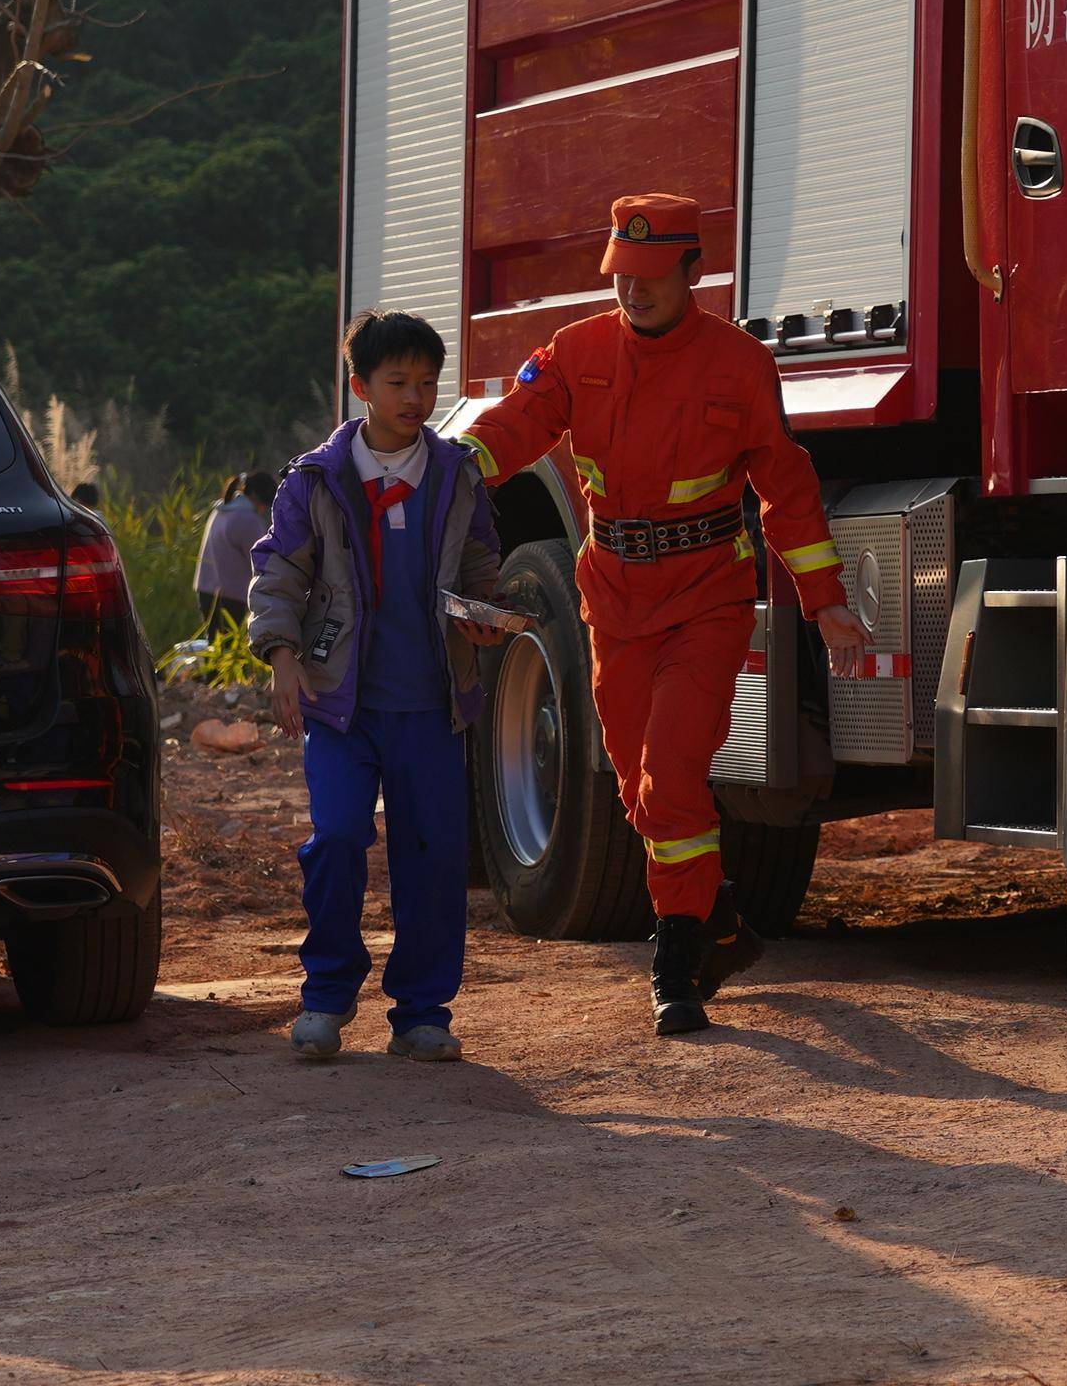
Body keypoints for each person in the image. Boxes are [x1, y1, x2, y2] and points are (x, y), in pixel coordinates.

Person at [461, 192, 873, 1036]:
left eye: (652, 275)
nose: (634, 290)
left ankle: (677, 960)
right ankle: (718, 922)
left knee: (674, 775)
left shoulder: (739, 364)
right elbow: (511, 428)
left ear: (694, 270)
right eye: (623, 274)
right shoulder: (575, 353)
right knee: (638, 787)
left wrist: (825, 601)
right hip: (613, 598)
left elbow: (786, 489)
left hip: (706, 599)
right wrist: (441, 468)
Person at [247, 312, 507, 1064]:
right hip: (341, 705)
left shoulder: (456, 475)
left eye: (428, 383)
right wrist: (281, 655)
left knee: (433, 855)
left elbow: (481, 564)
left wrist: (486, 615)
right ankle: (326, 998)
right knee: (335, 839)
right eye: (398, 383)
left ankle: (422, 1012)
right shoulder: (316, 480)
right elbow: (279, 572)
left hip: (431, 705)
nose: (416, 398)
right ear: (360, 386)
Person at [190, 468, 268, 630]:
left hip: (205, 590)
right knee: (230, 643)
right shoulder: (249, 520)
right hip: (232, 597)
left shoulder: (221, 510)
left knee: (214, 642)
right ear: (257, 498)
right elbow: (263, 561)